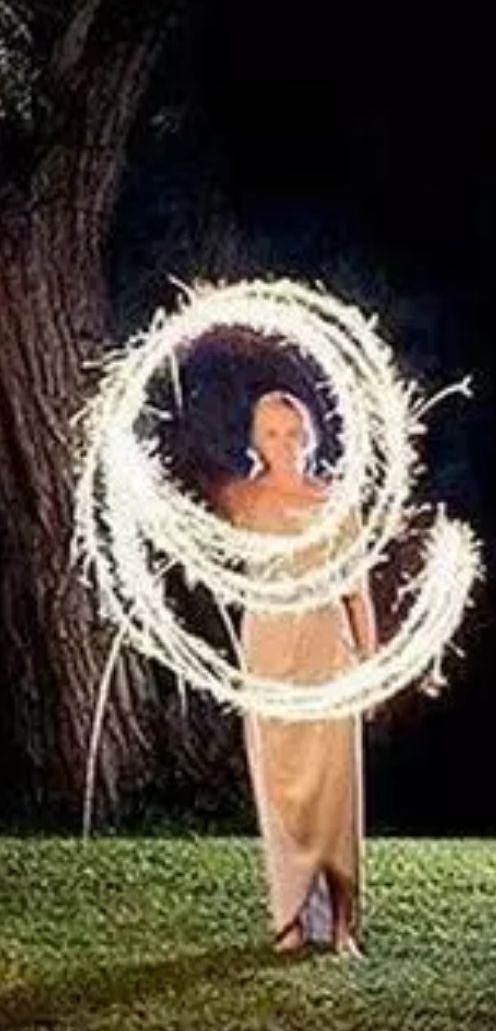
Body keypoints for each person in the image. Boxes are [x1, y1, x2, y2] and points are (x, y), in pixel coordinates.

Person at [216, 390, 376, 958]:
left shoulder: (336, 502)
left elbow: (357, 592)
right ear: (257, 439)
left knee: (336, 788)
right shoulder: (241, 500)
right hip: (267, 650)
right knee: (280, 787)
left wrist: (371, 662)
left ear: (310, 437)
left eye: (292, 432)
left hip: (327, 652)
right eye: (271, 433)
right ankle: (288, 918)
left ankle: (342, 925)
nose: (284, 444)